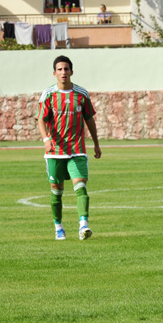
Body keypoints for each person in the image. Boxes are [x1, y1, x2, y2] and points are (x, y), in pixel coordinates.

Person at [37, 55, 102, 241]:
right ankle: (58, 227)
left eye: (66, 69)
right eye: (60, 69)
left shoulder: (81, 94)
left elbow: (89, 119)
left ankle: (83, 226)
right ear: (54, 73)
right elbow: (41, 119)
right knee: (56, 191)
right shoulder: (48, 94)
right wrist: (45, 139)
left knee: (80, 187)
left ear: (71, 71)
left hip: (77, 150)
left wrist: (96, 144)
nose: (63, 72)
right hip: (55, 152)